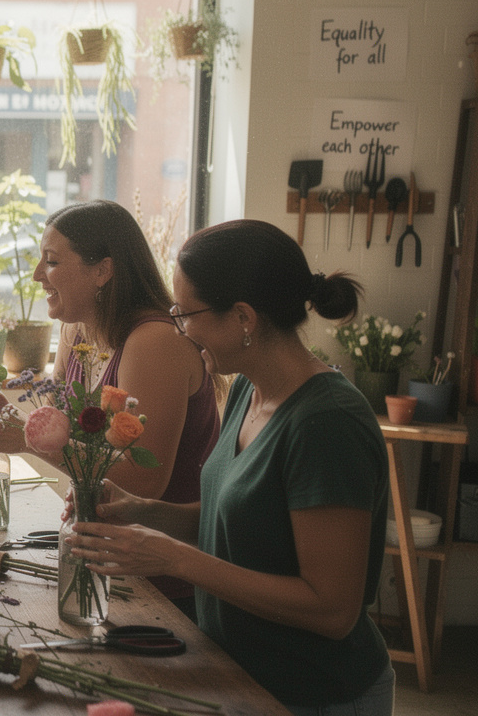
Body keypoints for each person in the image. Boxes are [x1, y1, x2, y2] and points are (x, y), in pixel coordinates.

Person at [67, 219, 392, 715]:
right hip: (239, 673)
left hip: (314, 694)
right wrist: (143, 511)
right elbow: (241, 522)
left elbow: (332, 609)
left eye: (186, 313)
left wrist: (175, 559)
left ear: (243, 317)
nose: (180, 328)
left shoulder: (327, 423)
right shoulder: (247, 389)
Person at [0, 199, 219, 610]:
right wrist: (3, 410)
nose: (38, 275)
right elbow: (70, 438)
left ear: (102, 270)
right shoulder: (76, 330)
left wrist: (27, 437)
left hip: (163, 583)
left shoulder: (154, 341)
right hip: (100, 559)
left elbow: (141, 481)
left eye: (52, 261)